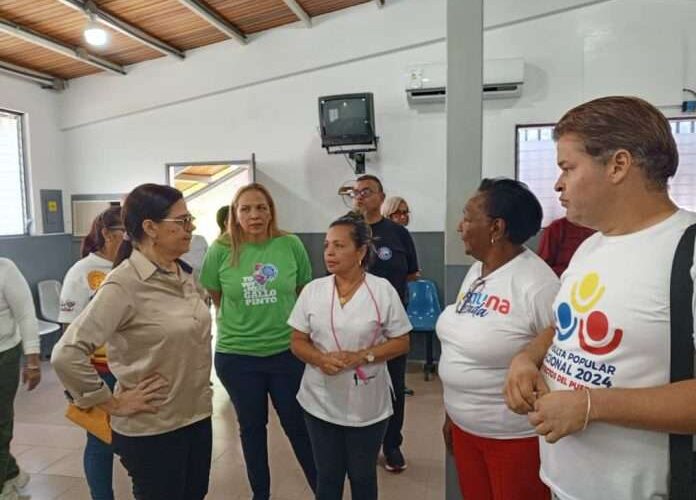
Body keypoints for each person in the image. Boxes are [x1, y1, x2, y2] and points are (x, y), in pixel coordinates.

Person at [503, 96, 696, 500]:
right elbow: (563, 326)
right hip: (564, 484)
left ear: (618, 165)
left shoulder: (688, 252)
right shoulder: (592, 246)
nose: (558, 183)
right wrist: (527, 358)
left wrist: (591, 405)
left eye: (567, 168)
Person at [52, 183, 213, 500]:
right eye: (181, 221)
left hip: (196, 417)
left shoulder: (184, 275)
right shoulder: (124, 284)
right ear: (150, 228)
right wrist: (109, 402)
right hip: (153, 428)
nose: (190, 228)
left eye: (189, 219)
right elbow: (66, 353)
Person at [438, 178, 557, 500]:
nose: (459, 226)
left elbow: (559, 346)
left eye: (467, 217)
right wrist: (452, 414)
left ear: (497, 227)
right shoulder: (477, 271)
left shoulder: (538, 284)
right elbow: (460, 347)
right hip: (467, 430)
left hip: (514, 439)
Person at [200, 183, 316, 500]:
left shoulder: (290, 244)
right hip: (237, 357)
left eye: (261, 207)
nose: (255, 215)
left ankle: (325, 491)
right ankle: (260, 495)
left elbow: (304, 291)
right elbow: (216, 295)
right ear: (235, 214)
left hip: (286, 352)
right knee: (251, 429)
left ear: (271, 211)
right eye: (246, 208)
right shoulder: (220, 250)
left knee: (298, 426)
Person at [289, 213, 411, 500]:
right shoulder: (313, 291)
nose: (329, 253)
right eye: (327, 245)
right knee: (328, 477)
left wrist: (363, 356)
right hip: (319, 400)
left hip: (367, 403)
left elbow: (402, 341)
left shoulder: (381, 291)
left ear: (361, 251)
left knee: (362, 475)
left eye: (339, 246)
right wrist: (319, 359)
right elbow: (297, 341)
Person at [352, 174, 418, 472]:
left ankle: (392, 445)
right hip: (353, 324)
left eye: (366, 191)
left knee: (394, 386)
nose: (360, 196)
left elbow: (410, 273)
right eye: (355, 192)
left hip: (392, 327)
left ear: (381, 196)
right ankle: (359, 446)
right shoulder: (347, 230)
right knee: (356, 383)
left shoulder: (398, 233)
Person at [58, 206, 124, 500]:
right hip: (99, 371)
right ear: (108, 234)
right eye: (126, 231)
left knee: (139, 439)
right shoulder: (83, 272)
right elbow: (68, 333)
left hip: (134, 369)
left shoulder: (136, 266)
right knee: (101, 442)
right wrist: (74, 382)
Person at [0, 259, 40, 500]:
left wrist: (33, 361)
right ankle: (11, 472)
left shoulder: (5, 269)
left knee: (0, 421)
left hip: (3, 354)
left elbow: (26, 315)